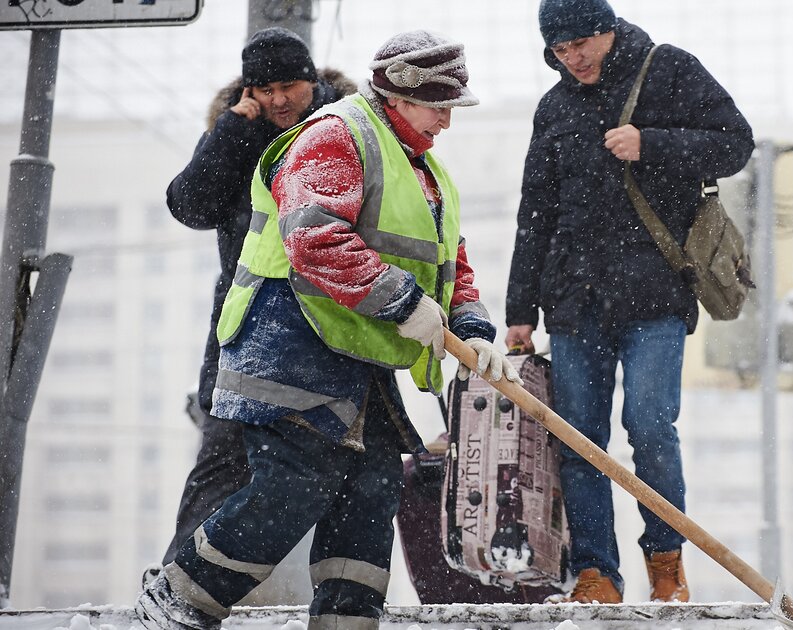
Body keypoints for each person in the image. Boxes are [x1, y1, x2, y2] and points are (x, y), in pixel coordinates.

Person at [137, 29, 519, 630]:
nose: (447, 119)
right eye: (437, 105)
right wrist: (401, 302)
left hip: (355, 355)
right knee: (294, 487)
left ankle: (347, 621)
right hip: (289, 349)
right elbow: (313, 236)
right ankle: (180, 600)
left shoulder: (423, 171)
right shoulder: (338, 135)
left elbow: (450, 261)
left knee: (367, 494)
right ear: (399, 95)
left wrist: (472, 327)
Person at [505, 0, 754, 604]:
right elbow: (535, 211)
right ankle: (596, 574)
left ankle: (665, 560)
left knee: (650, 425)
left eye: (580, 44)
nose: (573, 59)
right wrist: (520, 311)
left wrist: (654, 144)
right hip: (574, 301)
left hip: (656, 295)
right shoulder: (554, 106)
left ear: (607, 30)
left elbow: (735, 143)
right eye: (559, 51)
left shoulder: (668, 70)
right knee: (579, 438)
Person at [159, 27, 354, 572]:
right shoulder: (237, 133)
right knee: (222, 457)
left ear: (311, 82)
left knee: (342, 468)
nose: (279, 100)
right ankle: (180, 581)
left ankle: (324, 594)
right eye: (265, 89)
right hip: (244, 325)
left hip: (329, 324)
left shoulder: (347, 129)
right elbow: (190, 207)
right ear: (250, 92)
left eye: (290, 85)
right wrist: (230, 133)